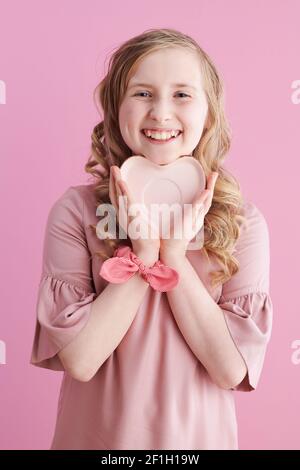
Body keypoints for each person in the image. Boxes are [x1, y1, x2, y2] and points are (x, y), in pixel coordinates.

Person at [30, 28, 273, 450]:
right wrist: (143, 253)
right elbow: (82, 359)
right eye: (142, 93)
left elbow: (230, 369)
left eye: (182, 94)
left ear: (209, 114)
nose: (161, 113)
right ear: (115, 108)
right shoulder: (76, 212)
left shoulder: (241, 222)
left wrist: (174, 255)